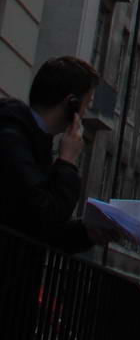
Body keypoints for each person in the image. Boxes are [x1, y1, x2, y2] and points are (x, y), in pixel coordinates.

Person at [0, 55, 99, 253]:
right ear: (71, 104)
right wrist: (67, 162)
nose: (84, 114)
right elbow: (43, 218)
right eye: (85, 105)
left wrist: (87, 233)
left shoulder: (31, 138)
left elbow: (33, 225)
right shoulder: (11, 137)